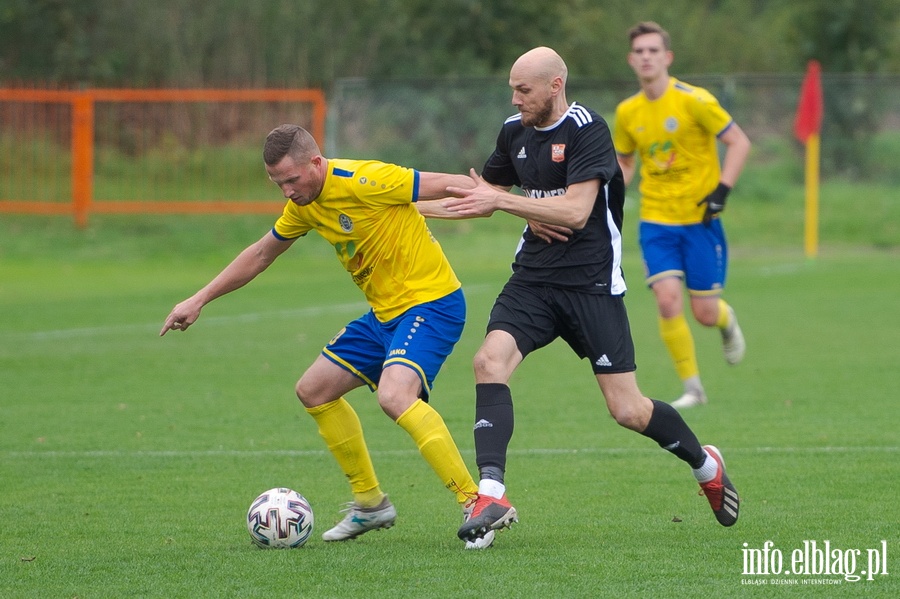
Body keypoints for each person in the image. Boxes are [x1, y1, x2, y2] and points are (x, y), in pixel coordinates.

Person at [435, 47, 740, 544]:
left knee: (627, 410)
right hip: (532, 279)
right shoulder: (513, 132)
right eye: (512, 89)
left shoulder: (587, 129)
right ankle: (491, 493)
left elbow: (577, 212)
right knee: (489, 362)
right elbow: (480, 195)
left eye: (524, 90)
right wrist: (402, 207)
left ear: (555, 85)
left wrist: (508, 202)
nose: (515, 99)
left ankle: (705, 464)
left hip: (590, 283)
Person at [160, 124, 494, 549]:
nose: (286, 192)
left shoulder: (366, 179)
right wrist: (200, 299)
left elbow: (445, 182)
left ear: (316, 163)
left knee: (394, 396)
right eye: (278, 183)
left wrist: (487, 196)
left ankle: (476, 503)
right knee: (314, 389)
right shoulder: (303, 206)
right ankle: (370, 503)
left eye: (292, 179)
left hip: (432, 303)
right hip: (385, 315)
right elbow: (262, 252)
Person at [613, 21, 751, 409]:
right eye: (639, 51)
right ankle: (693, 387)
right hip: (657, 221)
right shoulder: (627, 112)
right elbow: (625, 162)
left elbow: (739, 141)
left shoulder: (695, 100)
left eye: (653, 50)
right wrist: (608, 188)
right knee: (667, 300)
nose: (646, 57)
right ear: (630, 59)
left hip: (700, 221)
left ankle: (727, 322)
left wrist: (722, 190)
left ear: (667, 57)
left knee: (704, 313)